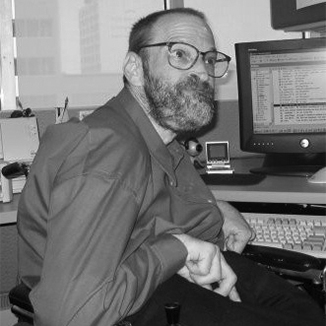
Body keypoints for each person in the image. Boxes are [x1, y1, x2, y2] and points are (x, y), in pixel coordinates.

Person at [17, 8, 324, 326]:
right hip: (121, 301)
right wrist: (177, 248)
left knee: (301, 311)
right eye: (180, 54)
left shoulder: (156, 138)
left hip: (151, 268)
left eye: (207, 59)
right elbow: (70, 315)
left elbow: (139, 203)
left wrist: (216, 211)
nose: (203, 74)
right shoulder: (105, 151)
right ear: (135, 69)